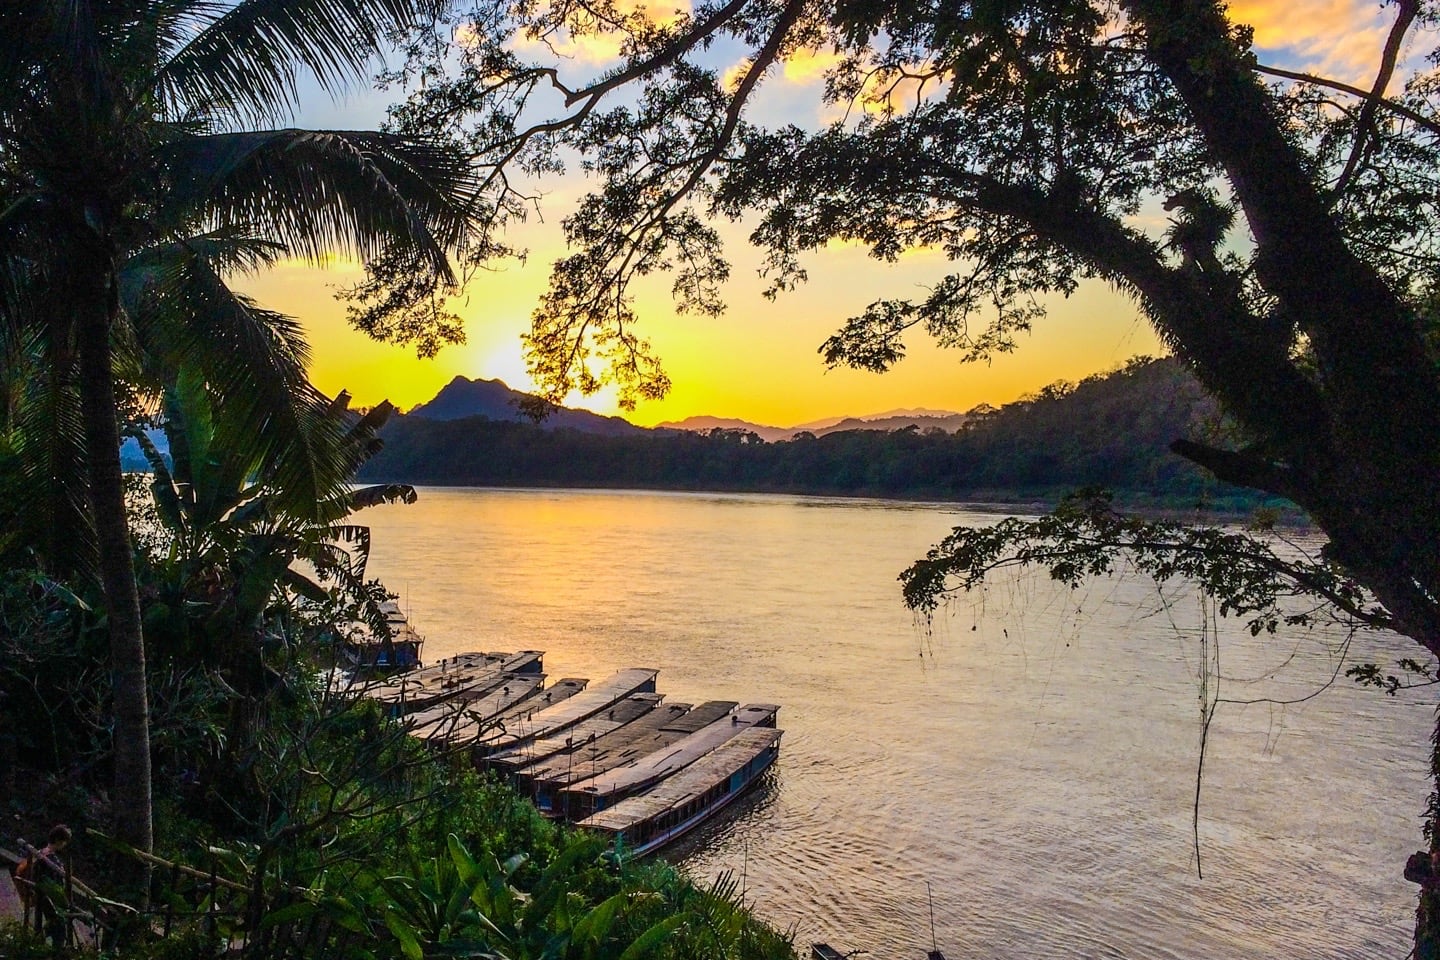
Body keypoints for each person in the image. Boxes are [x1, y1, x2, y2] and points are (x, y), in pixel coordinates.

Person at [13, 824, 72, 946]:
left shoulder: (41, 854)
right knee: (58, 925)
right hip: (48, 895)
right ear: (58, 840)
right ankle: (55, 950)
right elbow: (48, 878)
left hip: (46, 894)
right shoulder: (47, 857)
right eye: (64, 841)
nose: (64, 845)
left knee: (51, 924)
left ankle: (43, 944)